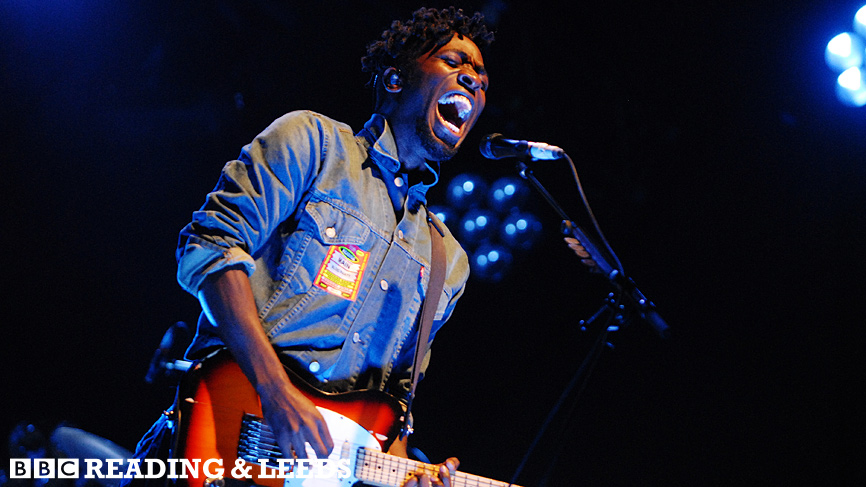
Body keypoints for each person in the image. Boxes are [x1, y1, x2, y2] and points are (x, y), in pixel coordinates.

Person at [172, 7, 493, 487]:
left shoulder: (449, 262)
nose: (473, 80)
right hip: (217, 447)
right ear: (394, 79)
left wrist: (412, 476)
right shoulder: (312, 142)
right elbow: (209, 248)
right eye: (453, 62)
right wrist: (276, 393)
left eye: (483, 79)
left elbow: (390, 413)